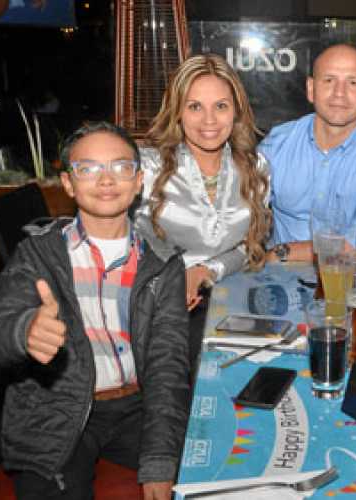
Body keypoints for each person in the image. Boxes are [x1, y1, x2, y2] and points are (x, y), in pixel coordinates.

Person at [0, 121, 190, 500]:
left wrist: (160, 460)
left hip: (137, 403)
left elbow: (167, 365)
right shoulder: (37, 254)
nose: (106, 179)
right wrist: (25, 331)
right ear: (68, 184)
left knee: (205, 473)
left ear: (139, 180)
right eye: (88, 168)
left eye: (120, 167)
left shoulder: (163, 264)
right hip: (55, 406)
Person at [135, 54, 271, 365]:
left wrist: (207, 270)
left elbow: (252, 246)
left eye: (220, 106)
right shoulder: (148, 168)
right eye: (195, 106)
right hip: (158, 310)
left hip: (232, 302)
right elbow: (125, 246)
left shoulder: (256, 167)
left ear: (236, 111)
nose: (209, 120)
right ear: (177, 111)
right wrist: (174, 279)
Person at [260, 43, 356, 262]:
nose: (339, 93)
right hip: (277, 275)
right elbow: (242, 216)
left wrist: (281, 252)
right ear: (311, 89)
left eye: (352, 83)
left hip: (346, 275)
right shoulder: (278, 143)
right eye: (329, 80)